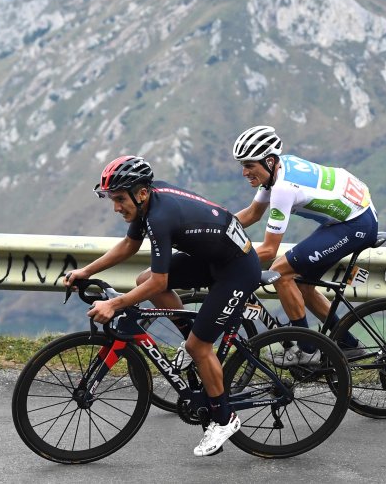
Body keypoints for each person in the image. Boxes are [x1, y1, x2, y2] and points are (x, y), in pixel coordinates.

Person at [64, 155, 259, 457]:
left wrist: (116, 304)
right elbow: (130, 246)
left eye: (118, 199)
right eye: (111, 200)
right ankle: (192, 337)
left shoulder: (159, 217)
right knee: (145, 279)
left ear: (140, 193)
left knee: (198, 346)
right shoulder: (148, 201)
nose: (116, 207)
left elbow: (158, 283)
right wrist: (86, 272)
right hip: (213, 259)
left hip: (237, 269)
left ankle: (224, 419)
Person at [231, 125, 379, 364]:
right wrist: (218, 229)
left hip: (356, 224)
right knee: (303, 285)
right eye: (243, 165)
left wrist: (229, 264)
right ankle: (349, 345)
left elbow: (269, 250)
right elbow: (252, 214)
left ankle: (307, 350)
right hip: (352, 215)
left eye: (249, 165)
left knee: (280, 272)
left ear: (268, 161)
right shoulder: (278, 169)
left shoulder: (283, 188)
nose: (244, 172)